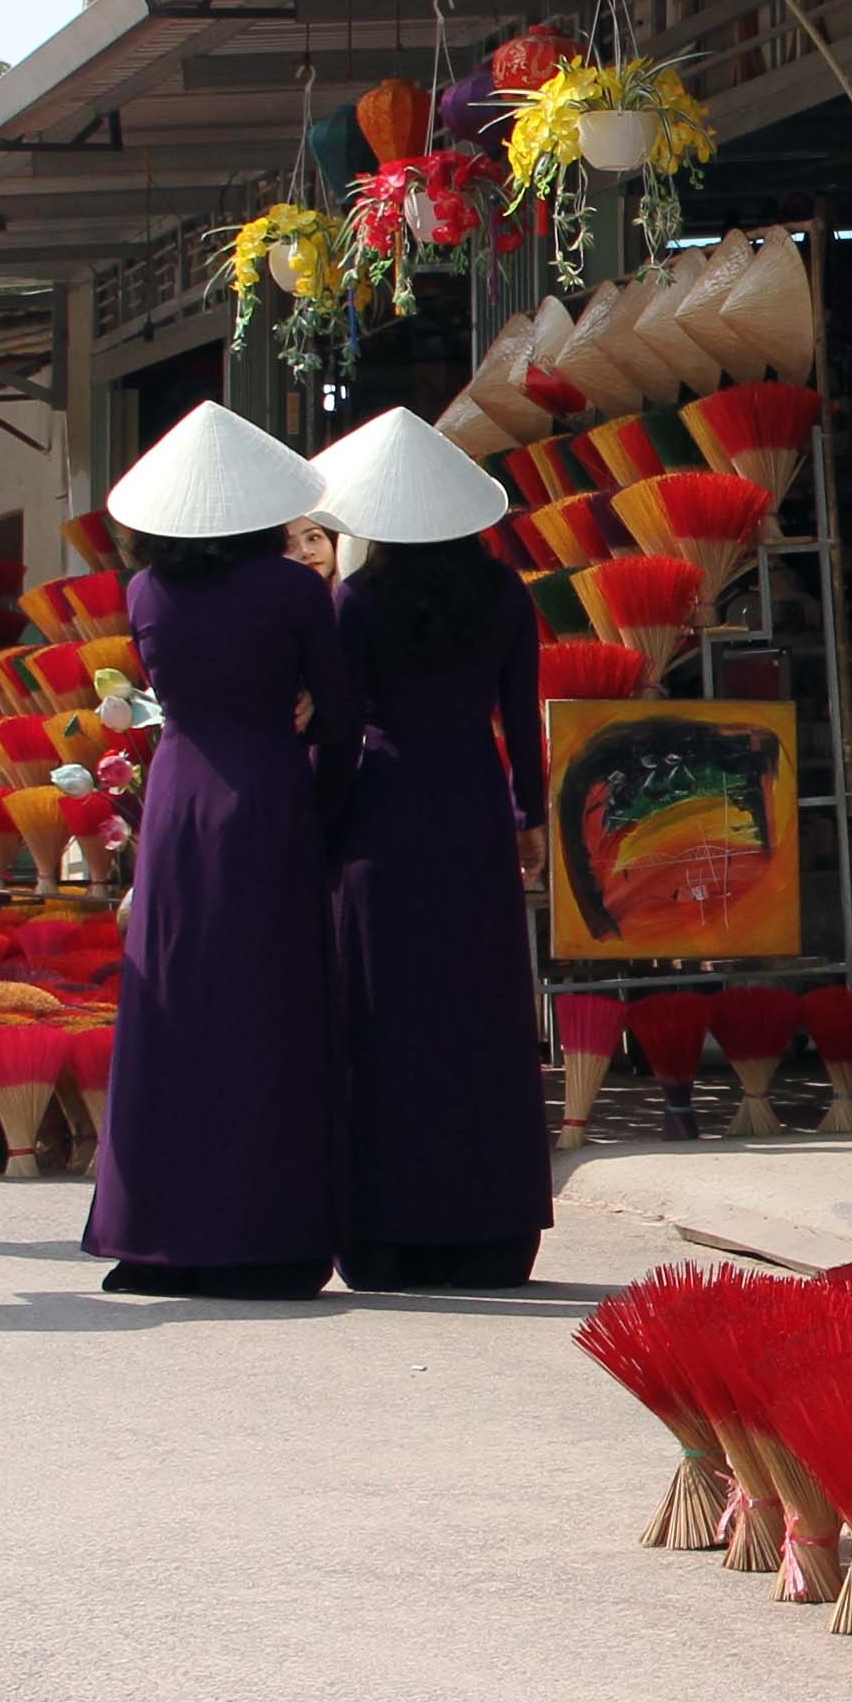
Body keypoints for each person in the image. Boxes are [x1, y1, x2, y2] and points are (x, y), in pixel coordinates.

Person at [86, 402, 354, 1300]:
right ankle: (266, 1238)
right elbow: (342, 713)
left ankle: (156, 1234)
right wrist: (327, 788)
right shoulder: (291, 589)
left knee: (172, 1010)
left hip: (175, 799)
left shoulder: (147, 592)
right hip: (269, 791)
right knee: (270, 1014)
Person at [311, 409, 552, 1293]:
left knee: (386, 1019)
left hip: (384, 808)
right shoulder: (504, 596)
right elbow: (522, 721)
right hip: (473, 807)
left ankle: (387, 1229)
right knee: (481, 1018)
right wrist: (527, 815)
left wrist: (325, 819)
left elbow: (338, 729)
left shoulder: (358, 600)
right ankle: (489, 1227)